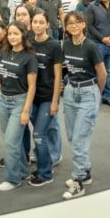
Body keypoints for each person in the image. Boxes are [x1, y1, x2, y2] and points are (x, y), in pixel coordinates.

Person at [60, 10, 106, 200]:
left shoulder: (91, 47)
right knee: (72, 136)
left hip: (88, 92)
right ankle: (85, 171)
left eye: (76, 22)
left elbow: (102, 74)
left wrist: (96, 93)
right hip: (70, 92)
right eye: (69, 23)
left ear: (83, 24)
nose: (73, 26)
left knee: (80, 138)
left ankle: (78, 181)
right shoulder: (66, 45)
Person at [0, 22, 37, 191]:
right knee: (10, 141)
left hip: (20, 102)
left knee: (11, 142)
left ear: (23, 35)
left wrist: (26, 110)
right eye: (10, 34)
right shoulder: (5, 52)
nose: (12, 37)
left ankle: (12, 179)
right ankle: (24, 171)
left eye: (15, 34)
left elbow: (32, 86)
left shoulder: (29, 57)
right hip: (4, 100)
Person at [28, 11, 63, 186]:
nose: (38, 25)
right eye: (35, 22)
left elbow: (58, 76)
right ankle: (44, 165)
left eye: (41, 22)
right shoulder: (29, 43)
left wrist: (55, 101)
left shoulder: (54, 45)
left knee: (39, 134)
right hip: (31, 97)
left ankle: (45, 173)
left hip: (47, 97)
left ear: (47, 24)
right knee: (39, 133)